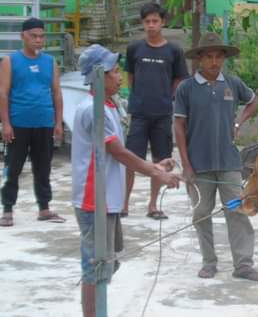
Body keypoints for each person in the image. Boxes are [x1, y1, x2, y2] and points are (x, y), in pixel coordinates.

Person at [72, 44, 181, 317]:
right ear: (98, 76)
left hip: (107, 198)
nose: (120, 76)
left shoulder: (108, 106)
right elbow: (118, 153)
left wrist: (153, 165)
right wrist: (157, 173)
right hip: (93, 200)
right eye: (114, 71)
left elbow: (118, 154)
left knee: (108, 262)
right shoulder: (92, 110)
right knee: (95, 266)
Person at [174, 32, 258, 281]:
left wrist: (238, 121)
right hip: (198, 164)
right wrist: (186, 164)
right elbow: (179, 127)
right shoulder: (187, 89)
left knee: (237, 210)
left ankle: (243, 264)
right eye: (209, 57)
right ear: (200, 59)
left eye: (218, 57)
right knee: (201, 212)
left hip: (229, 163)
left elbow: (253, 101)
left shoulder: (232, 84)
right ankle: (209, 262)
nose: (214, 62)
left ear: (223, 58)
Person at [123, 2, 188, 220]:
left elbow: (179, 78)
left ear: (163, 22)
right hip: (139, 113)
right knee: (131, 160)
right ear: (142, 23)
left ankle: (153, 205)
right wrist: (136, 96)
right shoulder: (134, 49)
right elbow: (130, 76)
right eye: (147, 22)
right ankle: (123, 204)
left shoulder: (174, 51)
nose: (151, 25)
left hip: (162, 113)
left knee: (161, 161)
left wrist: (167, 97)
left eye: (155, 21)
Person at [0, 17, 64, 227]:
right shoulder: (10, 61)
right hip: (19, 123)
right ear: (23, 36)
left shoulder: (49, 62)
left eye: (41, 36)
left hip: (44, 122)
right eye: (33, 36)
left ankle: (44, 208)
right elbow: (3, 93)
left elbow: (56, 93)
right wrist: (6, 124)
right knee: (14, 167)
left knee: (43, 167)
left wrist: (58, 122)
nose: (38, 40)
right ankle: (8, 209)